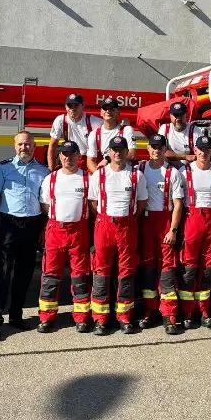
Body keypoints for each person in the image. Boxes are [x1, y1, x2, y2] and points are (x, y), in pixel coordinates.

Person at [0, 131, 49, 341]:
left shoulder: (43, 171)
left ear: (34, 146)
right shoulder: (3, 168)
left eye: (28, 144)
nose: (24, 148)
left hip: (31, 225)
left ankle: (16, 315)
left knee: (24, 274)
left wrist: (42, 230)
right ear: (14, 146)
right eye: (21, 144)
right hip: (8, 225)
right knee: (2, 274)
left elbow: (46, 204)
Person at [88, 136, 148, 335]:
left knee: (126, 271)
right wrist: (107, 219)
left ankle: (124, 316)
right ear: (109, 152)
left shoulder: (136, 175)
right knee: (101, 271)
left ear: (126, 152)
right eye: (114, 149)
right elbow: (94, 203)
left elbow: (141, 204)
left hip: (127, 226)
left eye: (121, 149)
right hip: (104, 224)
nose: (117, 153)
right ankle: (100, 319)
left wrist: (126, 220)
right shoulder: (99, 174)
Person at [39, 141, 93, 334]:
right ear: (59, 156)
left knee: (80, 277)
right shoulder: (51, 179)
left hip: (79, 232)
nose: (68, 158)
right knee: (50, 277)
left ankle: (81, 318)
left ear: (79, 156)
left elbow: (94, 205)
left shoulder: (88, 178)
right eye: (64, 154)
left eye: (72, 154)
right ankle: (46, 318)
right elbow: (45, 206)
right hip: (56, 231)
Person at [138, 133, 185, 335]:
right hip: (146, 222)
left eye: (160, 147)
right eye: (153, 147)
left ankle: (170, 315)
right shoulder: (140, 169)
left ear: (165, 150)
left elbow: (178, 205)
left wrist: (173, 230)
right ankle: (149, 311)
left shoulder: (172, 173)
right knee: (148, 267)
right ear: (148, 149)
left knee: (167, 269)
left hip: (165, 222)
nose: (156, 150)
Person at [179, 136, 211, 328]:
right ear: (195, 150)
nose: (203, 152)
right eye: (200, 149)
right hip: (192, 217)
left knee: (209, 266)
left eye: (207, 149)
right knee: (189, 266)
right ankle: (187, 312)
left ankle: (204, 310)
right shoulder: (184, 172)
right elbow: (178, 198)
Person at [47, 93, 103, 171]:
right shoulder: (61, 121)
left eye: (76, 105)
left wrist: (122, 125)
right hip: (72, 159)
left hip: (90, 159)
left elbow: (111, 129)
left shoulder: (94, 122)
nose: (73, 109)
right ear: (66, 107)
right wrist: (51, 168)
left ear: (83, 106)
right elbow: (52, 146)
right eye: (70, 106)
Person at [86, 97, 136, 173]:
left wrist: (108, 158)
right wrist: (99, 175)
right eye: (105, 109)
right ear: (101, 112)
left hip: (125, 172)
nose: (108, 111)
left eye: (111, 109)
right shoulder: (94, 134)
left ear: (118, 111)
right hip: (107, 175)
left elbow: (132, 154)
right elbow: (90, 161)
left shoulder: (126, 130)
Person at [159, 101, 202, 165]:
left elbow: (201, 154)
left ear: (186, 115)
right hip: (169, 169)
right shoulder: (165, 129)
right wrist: (185, 157)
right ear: (170, 116)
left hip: (190, 170)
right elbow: (162, 152)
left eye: (181, 115)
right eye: (176, 115)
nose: (178, 119)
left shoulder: (195, 130)